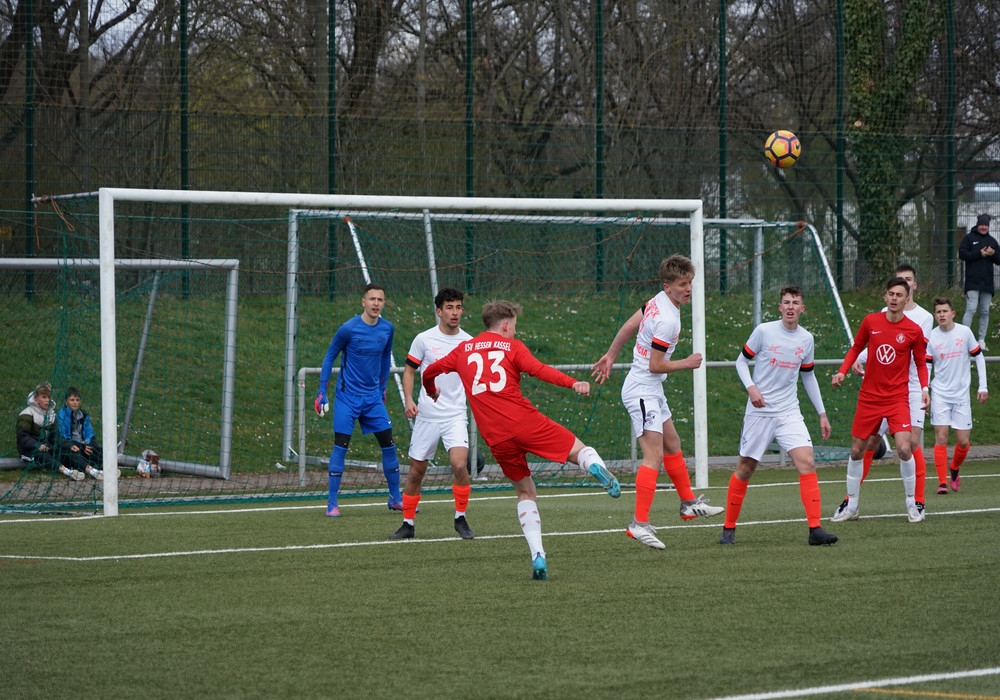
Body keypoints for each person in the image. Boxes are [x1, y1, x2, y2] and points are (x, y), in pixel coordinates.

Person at [422, 300, 620, 580]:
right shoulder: (512, 347)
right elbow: (540, 370)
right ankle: (593, 466)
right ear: (505, 325)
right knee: (580, 450)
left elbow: (429, 371)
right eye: (514, 325)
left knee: (526, 493)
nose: (515, 331)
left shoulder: (462, 350)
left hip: (496, 437)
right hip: (525, 422)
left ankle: (538, 556)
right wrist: (572, 382)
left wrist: (431, 390)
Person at [591, 254, 723, 551]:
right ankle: (638, 523)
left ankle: (688, 503)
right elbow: (656, 365)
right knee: (653, 456)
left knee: (673, 444)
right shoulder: (667, 320)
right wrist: (687, 362)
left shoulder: (658, 301)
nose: (688, 289)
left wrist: (611, 355)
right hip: (642, 390)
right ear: (667, 286)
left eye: (690, 282)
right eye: (682, 284)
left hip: (650, 388)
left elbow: (629, 325)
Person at [720, 286, 838, 546]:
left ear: (802, 309)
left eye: (795, 302)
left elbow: (808, 376)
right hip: (760, 412)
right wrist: (751, 388)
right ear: (780, 307)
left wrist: (822, 413)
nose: (790, 307)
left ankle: (815, 529)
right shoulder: (764, 331)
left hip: (788, 412)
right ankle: (728, 528)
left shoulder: (806, 339)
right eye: (786, 302)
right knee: (745, 469)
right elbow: (741, 362)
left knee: (807, 461)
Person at [836, 264, 934, 518]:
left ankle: (914, 502)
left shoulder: (917, 325)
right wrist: (843, 370)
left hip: (900, 395)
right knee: (858, 449)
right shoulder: (871, 321)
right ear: (885, 296)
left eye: (899, 294)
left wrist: (925, 388)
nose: (894, 298)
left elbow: (921, 361)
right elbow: (858, 347)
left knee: (905, 447)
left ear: (908, 296)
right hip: (870, 397)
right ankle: (851, 504)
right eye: (891, 293)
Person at [389, 288, 475, 540]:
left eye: (458, 307)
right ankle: (407, 524)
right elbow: (409, 371)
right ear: (439, 311)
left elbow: (475, 377)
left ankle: (460, 518)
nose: (455, 312)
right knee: (417, 471)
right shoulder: (423, 339)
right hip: (427, 416)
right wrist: (409, 400)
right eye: (449, 308)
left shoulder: (469, 343)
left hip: (455, 415)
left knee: (460, 465)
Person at [315, 283, 402, 517]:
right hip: (347, 397)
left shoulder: (387, 329)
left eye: (380, 300)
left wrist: (382, 387)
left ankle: (396, 498)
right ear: (363, 302)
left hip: (372, 398)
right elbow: (329, 356)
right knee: (341, 445)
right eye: (372, 299)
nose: (376, 303)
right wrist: (322, 391)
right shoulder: (348, 329)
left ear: (384, 303)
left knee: (389, 443)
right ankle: (332, 503)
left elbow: (385, 357)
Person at [926, 296, 988, 495]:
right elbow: (927, 365)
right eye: (938, 312)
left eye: (945, 311)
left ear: (952, 313)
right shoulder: (931, 337)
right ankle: (942, 482)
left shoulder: (964, 332)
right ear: (935, 316)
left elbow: (979, 357)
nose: (942, 315)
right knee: (941, 436)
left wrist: (983, 386)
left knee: (963, 441)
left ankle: (954, 467)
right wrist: (925, 390)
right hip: (940, 394)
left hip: (961, 395)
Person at [15, 382, 83, 481]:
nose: (47, 400)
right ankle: (68, 472)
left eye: (49, 397)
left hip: (46, 447)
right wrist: (37, 445)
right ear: (36, 398)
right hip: (29, 450)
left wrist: (69, 445)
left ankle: (92, 471)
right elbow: (23, 437)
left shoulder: (51, 414)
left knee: (66, 452)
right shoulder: (26, 414)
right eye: (44, 397)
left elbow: (55, 438)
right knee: (42, 455)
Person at [958, 213, 1000, 351]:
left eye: (986, 225)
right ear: (977, 225)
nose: (983, 227)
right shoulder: (969, 238)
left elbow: (998, 259)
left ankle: (981, 340)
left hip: (987, 283)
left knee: (985, 311)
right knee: (971, 309)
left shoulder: (992, 241)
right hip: (972, 282)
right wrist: (979, 253)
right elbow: (962, 254)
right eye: (981, 225)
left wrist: (993, 254)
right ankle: (964, 339)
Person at [56, 386, 108, 481]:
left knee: (99, 449)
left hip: (84, 445)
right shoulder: (62, 415)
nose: (75, 402)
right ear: (66, 401)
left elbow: (89, 433)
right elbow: (63, 436)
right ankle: (92, 471)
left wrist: (87, 441)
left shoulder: (83, 415)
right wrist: (80, 445)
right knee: (73, 453)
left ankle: (106, 468)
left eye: (77, 400)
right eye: (72, 400)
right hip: (71, 446)